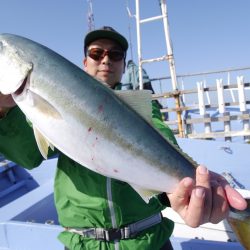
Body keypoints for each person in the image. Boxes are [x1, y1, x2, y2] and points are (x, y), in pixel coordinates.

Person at [0, 26, 247, 250]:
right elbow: (29, 155)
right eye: (97, 53)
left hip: (148, 242)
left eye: (115, 54)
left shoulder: (144, 109)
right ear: (85, 62)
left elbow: (162, 145)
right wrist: (3, 110)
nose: (106, 59)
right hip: (82, 244)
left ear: (123, 64)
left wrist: (179, 192)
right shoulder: (31, 106)